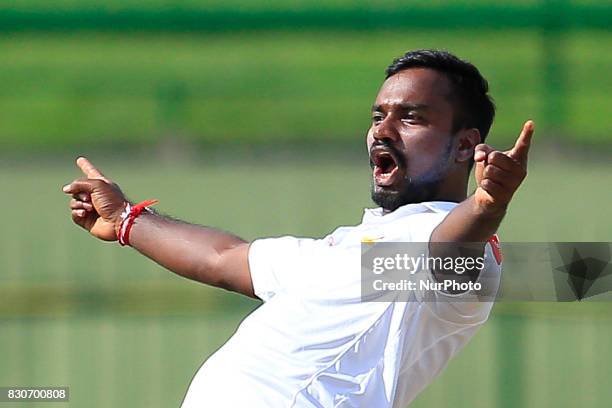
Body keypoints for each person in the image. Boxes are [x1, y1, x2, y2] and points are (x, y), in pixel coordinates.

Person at [62, 49, 533, 407]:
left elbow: (449, 256)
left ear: (463, 146)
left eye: (411, 117)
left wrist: (487, 204)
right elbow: (224, 258)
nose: (383, 130)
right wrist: (126, 218)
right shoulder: (350, 253)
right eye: (378, 115)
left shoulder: (440, 254)